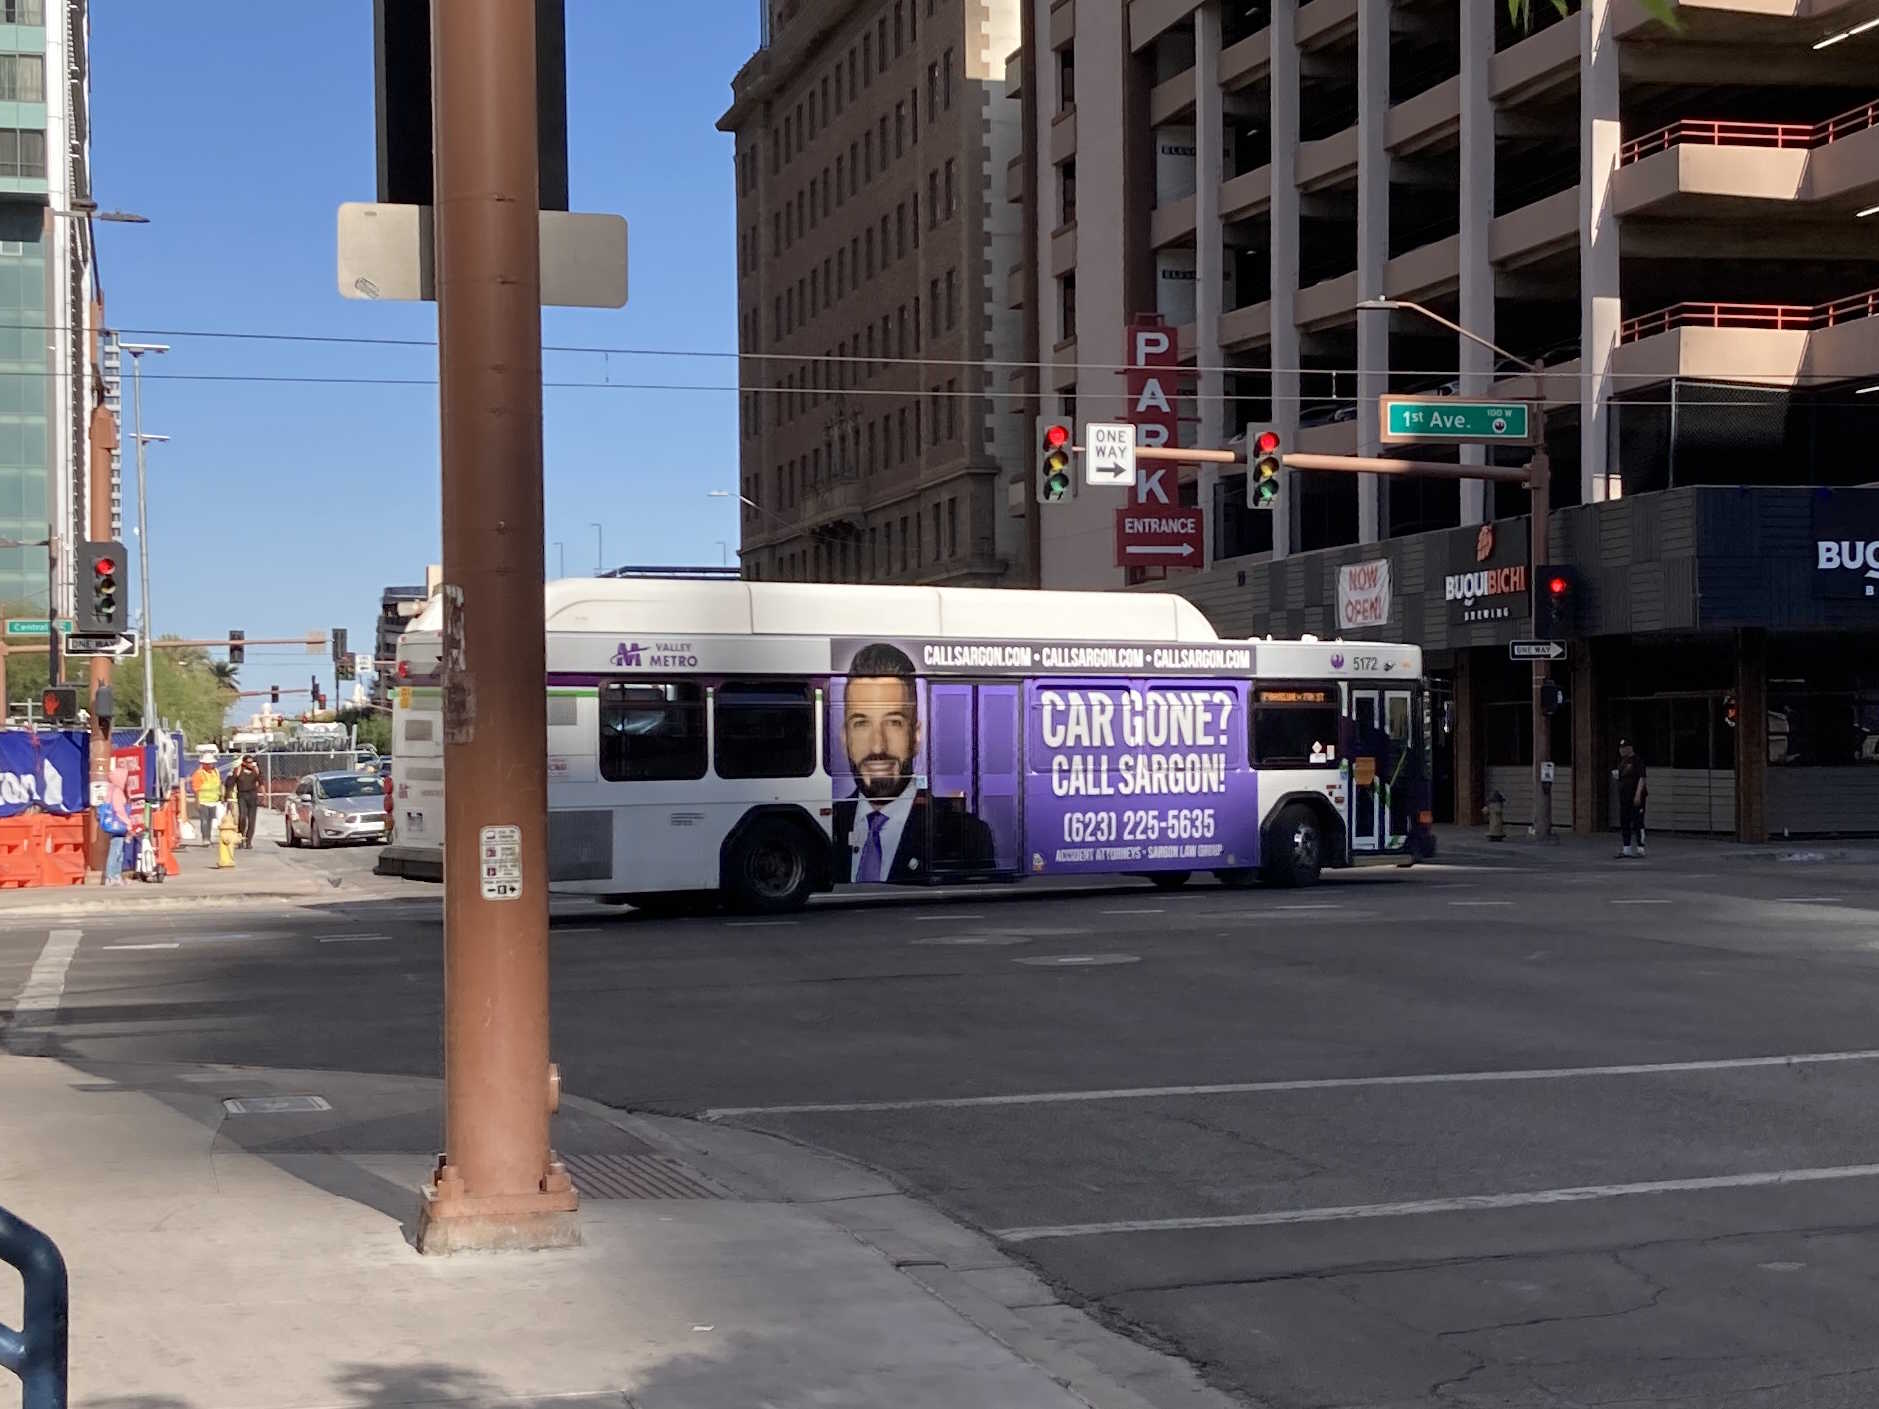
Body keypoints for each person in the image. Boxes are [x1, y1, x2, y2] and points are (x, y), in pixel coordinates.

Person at [831, 642, 993, 883]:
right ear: (845, 738)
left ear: (916, 736)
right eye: (861, 723)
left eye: (894, 722)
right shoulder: (829, 827)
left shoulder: (966, 836)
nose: (878, 746)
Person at [96, 763, 131, 886]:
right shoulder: (117, 791)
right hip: (119, 825)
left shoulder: (111, 789)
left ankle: (115, 875)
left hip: (114, 825)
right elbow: (119, 810)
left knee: (117, 851)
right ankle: (112, 876)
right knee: (116, 851)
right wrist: (128, 822)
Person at [1617, 736, 1648, 858]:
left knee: (1638, 822)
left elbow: (1642, 778)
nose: (1622, 750)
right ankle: (1627, 848)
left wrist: (1638, 794)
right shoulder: (1622, 762)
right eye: (1621, 748)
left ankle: (1640, 847)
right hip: (1624, 797)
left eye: (1624, 748)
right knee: (1624, 821)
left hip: (1636, 796)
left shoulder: (1637, 760)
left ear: (1630, 748)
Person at [189, 752, 223, 849]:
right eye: (208, 763)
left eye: (211, 763)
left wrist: (221, 795)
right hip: (203, 801)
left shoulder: (216, 771)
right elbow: (196, 789)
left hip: (214, 801)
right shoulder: (199, 774)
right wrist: (197, 802)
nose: (210, 765)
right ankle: (205, 839)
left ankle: (209, 837)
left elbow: (219, 784)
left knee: (210, 821)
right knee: (204, 821)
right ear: (204, 764)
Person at [230, 754, 262, 850]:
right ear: (244, 762)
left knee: (252, 820)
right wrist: (228, 796)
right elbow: (231, 782)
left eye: (251, 762)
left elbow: (261, 782)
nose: (250, 764)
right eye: (248, 762)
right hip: (242, 796)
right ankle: (240, 839)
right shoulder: (239, 770)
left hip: (252, 796)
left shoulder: (255, 770)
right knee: (242, 817)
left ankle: (249, 841)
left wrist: (264, 795)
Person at [215, 788, 241, 869]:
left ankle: (229, 860)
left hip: (235, 800)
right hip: (229, 800)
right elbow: (227, 840)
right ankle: (227, 860)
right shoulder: (224, 832)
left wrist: (237, 836)